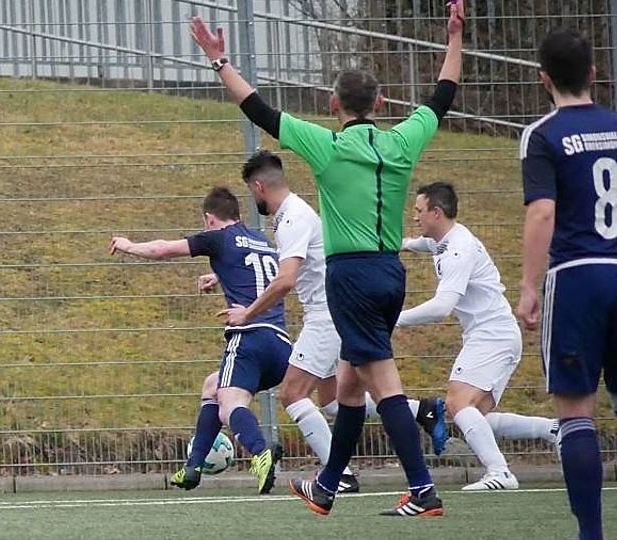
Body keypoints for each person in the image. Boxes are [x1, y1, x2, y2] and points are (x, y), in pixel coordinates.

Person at [189, 0, 463, 517]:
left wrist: (219, 61)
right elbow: (442, 95)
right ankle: (328, 485)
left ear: (333, 104)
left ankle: (423, 488)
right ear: (380, 103)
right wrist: (453, 38)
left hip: (351, 277)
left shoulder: (327, 146)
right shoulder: (402, 141)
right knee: (350, 386)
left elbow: (259, 109)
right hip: (391, 273)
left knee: (383, 384)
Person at [210, 150, 447, 493]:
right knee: (335, 400)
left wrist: (248, 313)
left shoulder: (292, 219)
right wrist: (217, 276)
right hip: (335, 311)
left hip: (326, 316)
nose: (253, 199)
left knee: (292, 393)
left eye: (251, 191)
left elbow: (286, 280)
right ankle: (421, 410)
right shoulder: (294, 213)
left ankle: (341, 477)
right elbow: (287, 265)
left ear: (258, 187)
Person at [110, 187, 287, 494]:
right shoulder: (262, 241)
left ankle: (260, 452)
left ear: (209, 219)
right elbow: (258, 272)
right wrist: (220, 275)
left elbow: (162, 249)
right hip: (281, 345)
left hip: (249, 340)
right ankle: (192, 468)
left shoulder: (218, 238)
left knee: (229, 404)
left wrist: (128, 245)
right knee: (212, 386)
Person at [517, 29, 617, 540]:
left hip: (577, 277)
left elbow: (542, 212)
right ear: (594, 73)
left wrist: (528, 285)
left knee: (576, 412)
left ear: (544, 79)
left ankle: (591, 535)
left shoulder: (543, 135)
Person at [398, 182, 559, 491]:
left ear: (436, 212)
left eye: (419, 211)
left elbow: (442, 307)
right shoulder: (444, 239)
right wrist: (395, 244)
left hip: (492, 335)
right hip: (492, 334)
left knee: (458, 404)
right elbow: (420, 244)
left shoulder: (458, 249)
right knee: (476, 414)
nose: (414, 217)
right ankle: (553, 430)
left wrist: (394, 321)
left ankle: (500, 473)